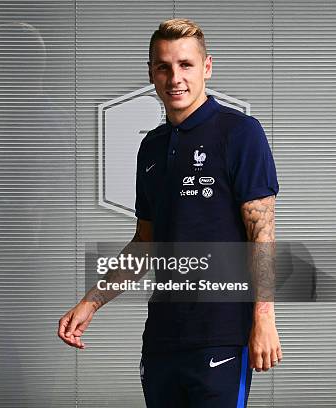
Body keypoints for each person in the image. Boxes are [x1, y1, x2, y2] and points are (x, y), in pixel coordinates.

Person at [57, 18, 282, 407]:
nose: (174, 77)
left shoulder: (239, 132)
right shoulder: (152, 148)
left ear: (206, 68)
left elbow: (260, 233)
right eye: (163, 66)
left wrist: (264, 318)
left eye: (185, 64)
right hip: (162, 339)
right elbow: (145, 242)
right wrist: (90, 302)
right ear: (151, 73)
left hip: (222, 335)